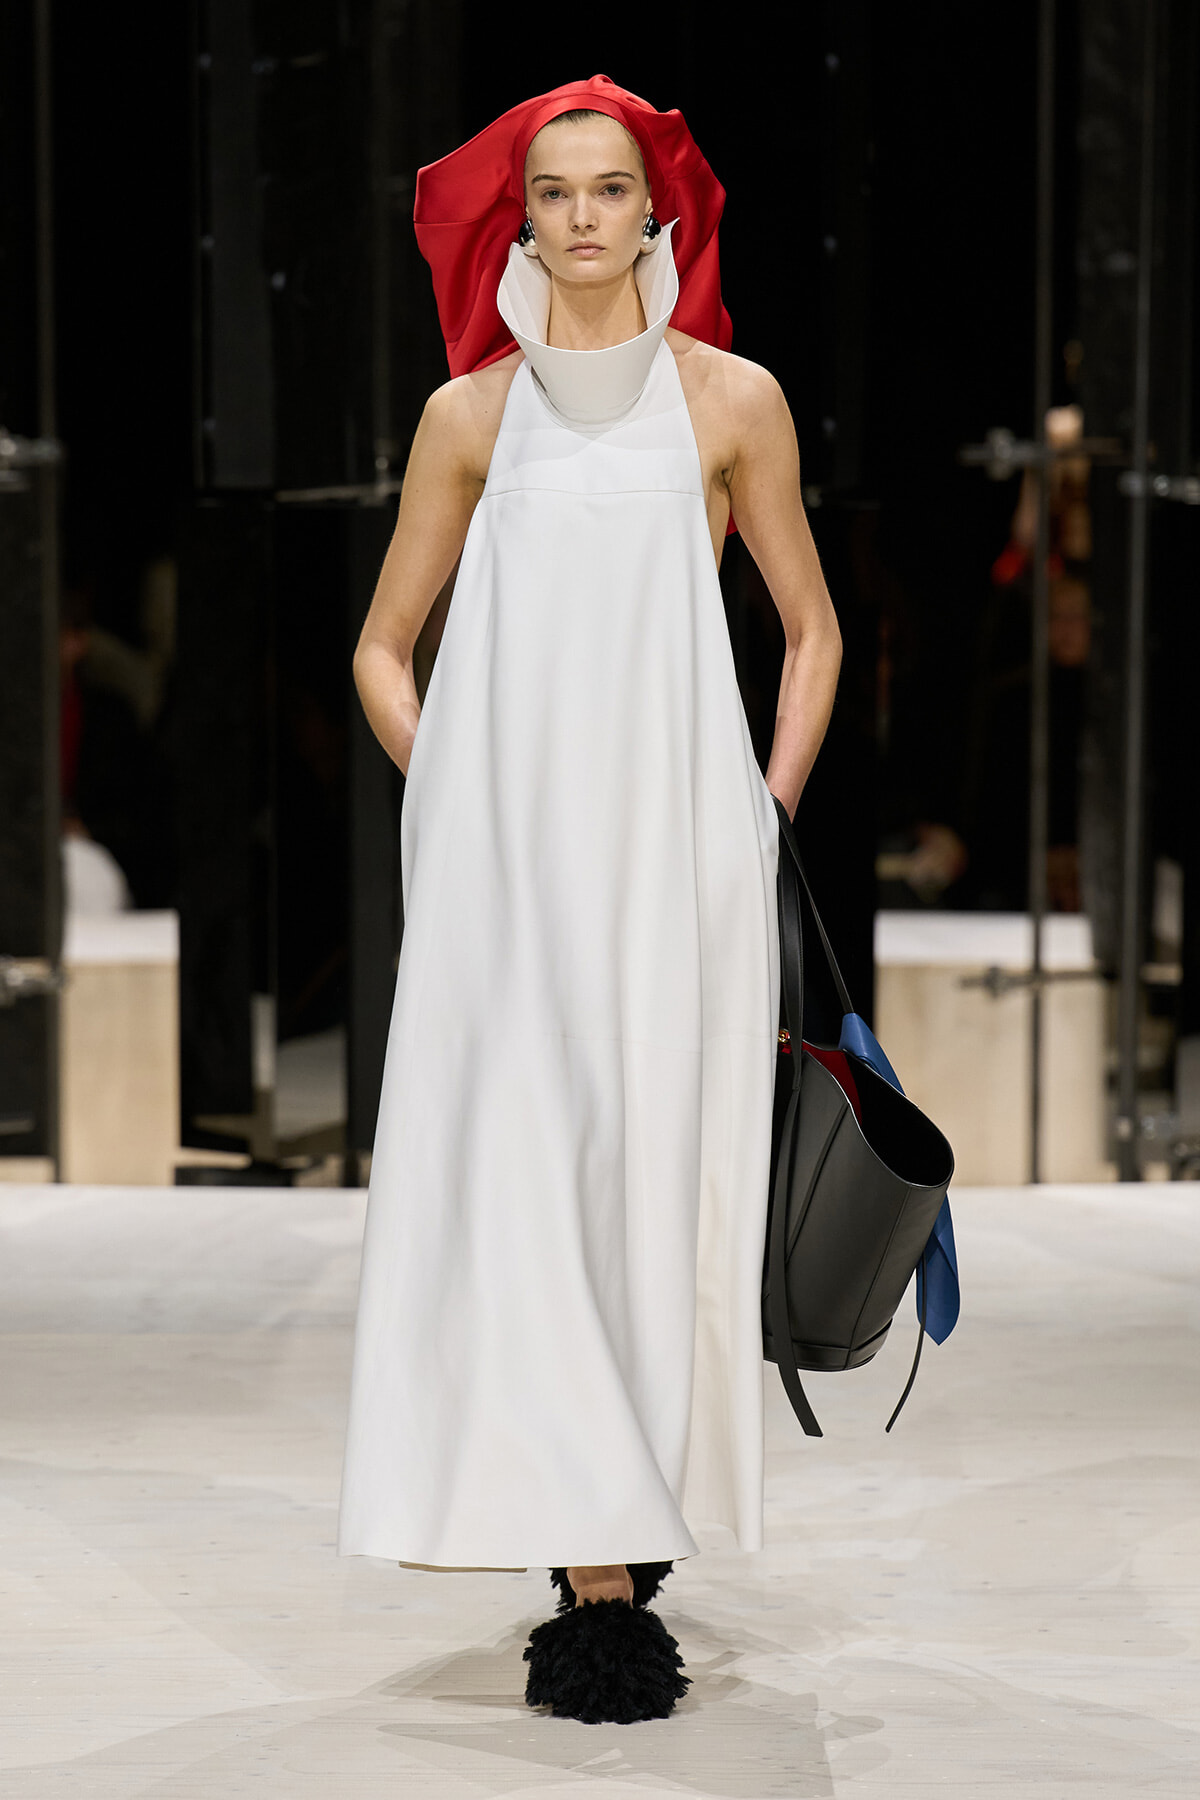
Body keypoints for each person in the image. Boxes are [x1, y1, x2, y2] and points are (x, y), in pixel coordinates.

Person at [338, 75, 842, 1723]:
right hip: (506, 875)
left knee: (653, 1180)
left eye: (607, 188)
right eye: (551, 191)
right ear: (522, 216)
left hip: (676, 856)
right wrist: (460, 792)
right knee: (530, 1179)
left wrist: (757, 815)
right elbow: (382, 648)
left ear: (655, 209)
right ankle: (598, 1583)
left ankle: (622, 1506)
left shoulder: (731, 403)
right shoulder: (469, 417)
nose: (578, 216)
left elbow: (812, 630)